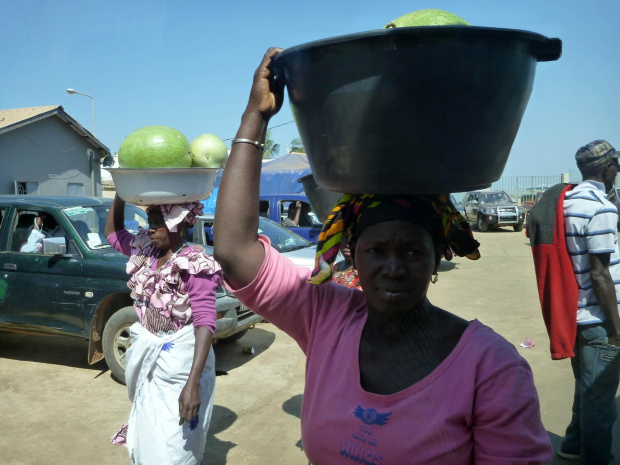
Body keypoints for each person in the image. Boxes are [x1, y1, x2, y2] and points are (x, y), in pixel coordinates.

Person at [213, 48, 552, 464]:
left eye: (412, 250)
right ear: (352, 255)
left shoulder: (491, 368)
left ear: (438, 256)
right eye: (376, 250)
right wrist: (256, 117)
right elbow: (233, 251)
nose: (393, 268)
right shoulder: (326, 317)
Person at [105, 194, 220, 465]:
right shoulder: (146, 251)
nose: (151, 229)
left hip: (181, 366)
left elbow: (205, 323)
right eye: (150, 221)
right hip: (151, 358)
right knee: (150, 433)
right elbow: (112, 234)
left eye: (160, 223)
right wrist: (120, 194)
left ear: (181, 224)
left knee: (175, 443)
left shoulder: (194, 264)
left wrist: (192, 386)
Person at [554, 140, 620, 463]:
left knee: (586, 388)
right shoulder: (601, 207)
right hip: (598, 320)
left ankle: (572, 444)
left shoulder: (569, 200)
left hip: (575, 316)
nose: (618, 170)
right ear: (607, 168)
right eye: (616, 165)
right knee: (601, 402)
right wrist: (616, 331)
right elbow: (599, 275)